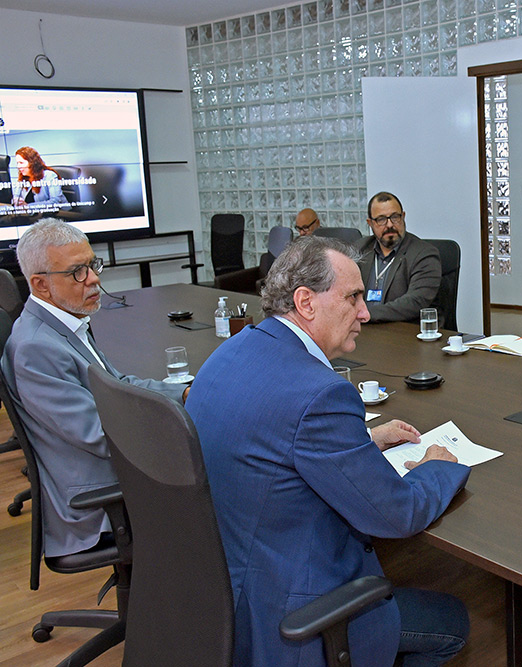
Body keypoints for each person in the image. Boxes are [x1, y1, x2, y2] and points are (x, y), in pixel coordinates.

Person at [184, 235, 470, 666]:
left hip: (228, 584)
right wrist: (436, 467)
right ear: (306, 302)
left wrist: (363, 442)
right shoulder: (320, 395)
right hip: (291, 614)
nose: (365, 312)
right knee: (455, 622)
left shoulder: (230, 353)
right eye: (354, 296)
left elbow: (270, 441)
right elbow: (397, 513)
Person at [0, 218, 187, 558]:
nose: (94, 279)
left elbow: (120, 387)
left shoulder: (65, 325)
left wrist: (184, 395)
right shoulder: (36, 348)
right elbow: (98, 436)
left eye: (92, 265)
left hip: (116, 480)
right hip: (99, 507)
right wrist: (179, 429)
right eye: (77, 272)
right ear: (41, 285)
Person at [356, 191, 441, 323]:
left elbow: (414, 302)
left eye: (395, 217)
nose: (390, 225)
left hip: (403, 333)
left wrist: (363, 315)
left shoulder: (424, 254)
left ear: (403, 217)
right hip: (363, 330)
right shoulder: (360, 249)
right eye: (381, 219)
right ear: (370, 223)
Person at [11, 147, 69, 212]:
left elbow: (55, 202)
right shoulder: (22, 177)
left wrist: (28, 207)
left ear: (32, 163)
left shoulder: (50, 175)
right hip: (35, 215)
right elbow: (15, 197)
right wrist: (16, 201)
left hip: (60, 214)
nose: (18, 166)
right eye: (17, 163)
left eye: (21, 163)